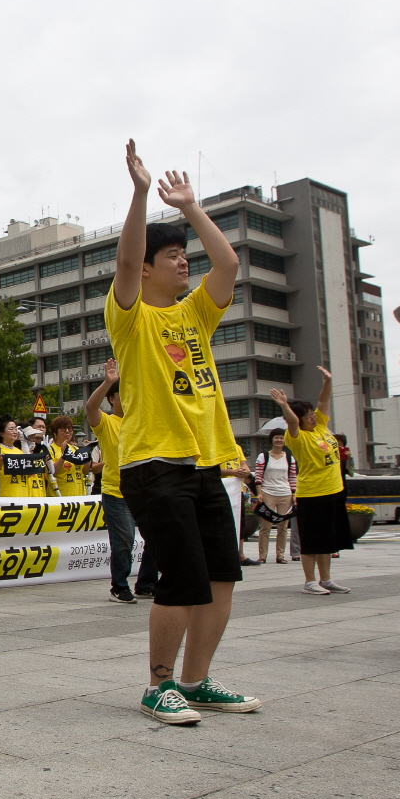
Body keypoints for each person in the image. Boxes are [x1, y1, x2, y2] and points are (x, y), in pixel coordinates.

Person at [107, 141, 259, 724]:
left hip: (206, 463)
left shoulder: (194, 313)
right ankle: (158, 684)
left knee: (222, 576)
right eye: (170, 255)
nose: (182, 261)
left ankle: (196, 680)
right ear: (147, 267)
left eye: (182, 254)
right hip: (153, 464)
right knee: (182, 578)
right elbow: (124, 265)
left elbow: (229, 266)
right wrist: (142, 194)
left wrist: (191, 208)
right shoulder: (131, 315)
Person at [270, 367, 352, 595]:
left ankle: (326, 580)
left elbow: (323, 402)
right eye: (307, 415)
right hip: (313, 494)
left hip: (333, 491)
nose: (313, 416)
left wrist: (328, 382)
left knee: (327, 540)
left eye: (311, 413)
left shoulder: (321, 427)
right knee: (312, 540)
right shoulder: (297, 437)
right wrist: (285, 405)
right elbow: (292, 423)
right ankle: (309, 582)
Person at [86, 359, 143, 604]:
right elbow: (90, 408)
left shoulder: (141, 422)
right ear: (112, 399)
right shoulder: (108, 423)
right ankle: (119, 586)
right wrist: (108, 382)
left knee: (158, 538)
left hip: (145, 491)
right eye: (121, 395)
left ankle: (148, 583)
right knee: (124, 541)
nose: (127, 400)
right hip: (116, 492)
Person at [252, 430, 297, 565]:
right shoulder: (263, 457)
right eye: (276, 438)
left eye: (281, 438)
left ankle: (280, 555)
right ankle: (262, 555)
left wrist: (294, 494)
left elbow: (293, 477)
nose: (279, 440)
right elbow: (258, 476)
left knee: (283, 527)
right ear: (271, 440)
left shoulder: (290, 458)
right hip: (268, 493)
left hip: (285, 494)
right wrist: (259, 493)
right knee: (265, 526)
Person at [0, 416, 56, 498]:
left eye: (16, 429)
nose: (14, 432)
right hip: (6, 496)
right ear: (1, 433)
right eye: (11, 429)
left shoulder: (20, 452)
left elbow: (28, 474)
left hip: (23, 496)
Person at [43, 415, 88, 498]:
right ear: (55, 432)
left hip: (79, 498)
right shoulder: (49, 449)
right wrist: (64, 456)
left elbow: (85, 471)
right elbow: (51, 473)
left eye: (70, 428)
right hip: (59, 499)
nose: (67, 431)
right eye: (63, 429)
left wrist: (89, 455)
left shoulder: (76, 449)